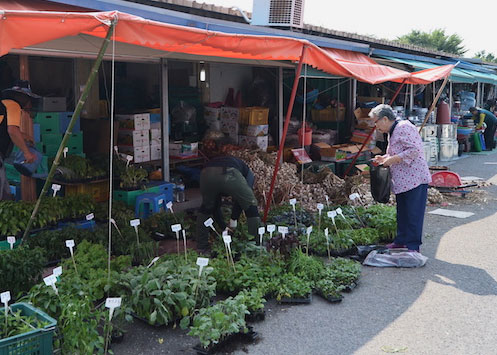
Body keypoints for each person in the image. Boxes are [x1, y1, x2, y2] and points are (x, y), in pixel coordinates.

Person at [370, 104, 431, 253]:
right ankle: (401, 240)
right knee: (402, 212)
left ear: (385, 119)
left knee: (413, 213)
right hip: (403, 180)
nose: (375, 125)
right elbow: (399, 151)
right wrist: (384, 158)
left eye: (376, 121)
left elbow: (415, 150)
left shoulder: (403, 127)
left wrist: (392, 159)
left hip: (414, 178)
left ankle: (413, 246)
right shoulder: (393, 130)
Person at [196, 156, 261, 253]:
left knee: (206, 208)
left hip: (206, 174)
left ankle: (201, 246)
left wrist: (223, 226)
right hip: (229, 173)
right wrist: (233, 220)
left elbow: (215, 206)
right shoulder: (249, 175)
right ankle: (255, 246)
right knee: (251, 207)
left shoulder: (235, 165)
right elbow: (242, 202)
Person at [0, 80, 39, 200]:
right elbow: (12, 130)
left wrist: (23, 135)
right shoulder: (13, 106)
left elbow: (5, 127)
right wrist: (27, 152)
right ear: (21, 97)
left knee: (6, 195)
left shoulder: (4, 104)